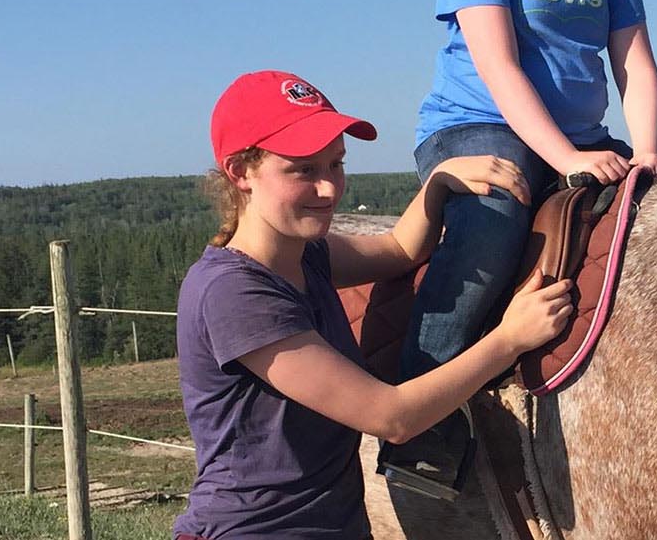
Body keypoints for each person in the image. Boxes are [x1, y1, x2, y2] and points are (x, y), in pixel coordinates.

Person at [381, 0, 657, 495]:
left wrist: (649, 152)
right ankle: (421, 426)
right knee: (492, 223)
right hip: (477, 127)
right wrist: (568, 155)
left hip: (577, 138)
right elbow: (500, 66)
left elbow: (633, 57)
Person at [173, 70, 576, 539]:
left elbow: (400, 250)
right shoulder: (235, 294)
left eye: (336, 165)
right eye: (303, 170)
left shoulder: (309, 256)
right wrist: (510, 339)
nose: (329, 189)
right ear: (240, 172)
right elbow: (392, 416)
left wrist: (439, 181)